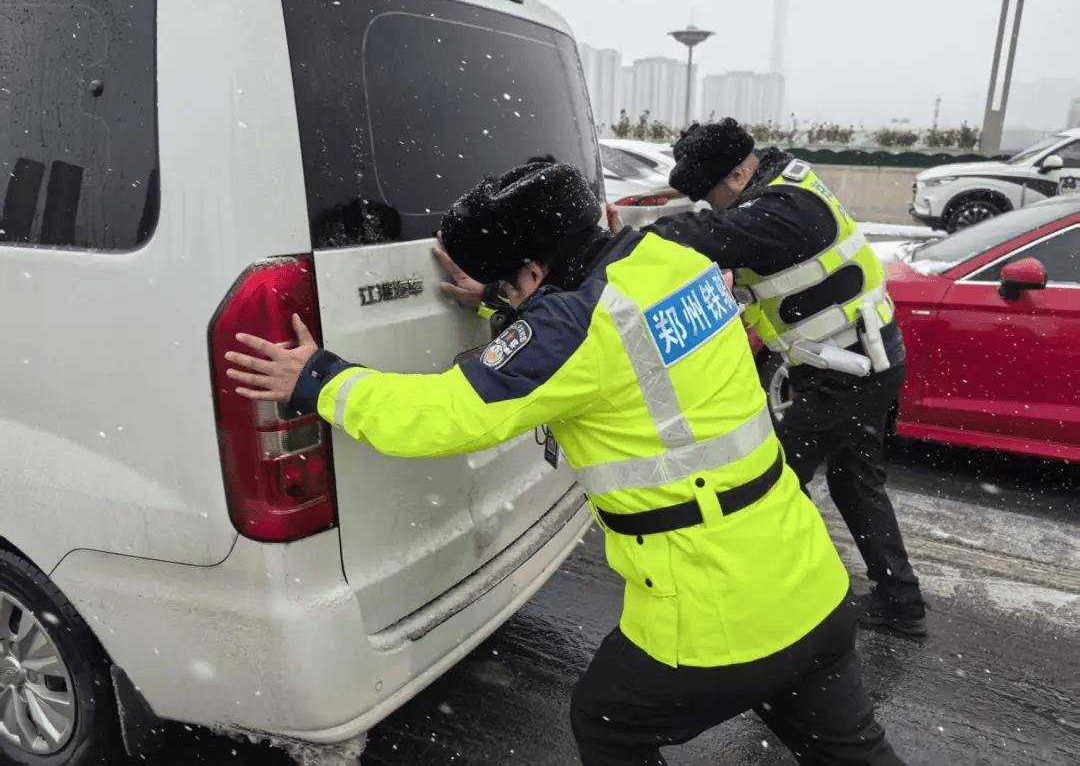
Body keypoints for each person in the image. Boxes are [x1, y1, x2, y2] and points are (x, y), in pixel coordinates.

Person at [224, 161, 903, 765]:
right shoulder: (675, 260)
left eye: (511, 282)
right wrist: (501, 298)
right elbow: (602, 324)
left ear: (535, 272)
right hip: (805, 578)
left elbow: (443, 415)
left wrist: (319, 379)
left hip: (716, 613)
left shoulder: (570, 329)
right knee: (849, 747)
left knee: (608, 722)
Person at [648, 118, 927, 638]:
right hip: (857, 360)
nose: (714, 207)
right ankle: (900, 602)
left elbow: (703, 237)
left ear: (735, 175)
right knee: (854, 480)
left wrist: (636, 239)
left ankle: (778, 605)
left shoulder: (781, 210)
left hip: (852, 370)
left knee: (768, 486)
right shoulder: (784, 184)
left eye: (712, 196)